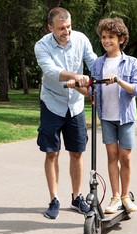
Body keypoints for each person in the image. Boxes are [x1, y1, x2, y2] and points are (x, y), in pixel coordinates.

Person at [67, 17, 137, 214]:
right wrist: (77, 87)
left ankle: (126, 197)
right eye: (103, 37)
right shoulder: (98, 64)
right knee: (111, 156)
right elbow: (93, 92)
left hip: (125, 117)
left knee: (125, 157)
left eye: (110, 37)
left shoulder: (131, 63)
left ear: (121, 39)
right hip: (107, 117)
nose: (106, 41)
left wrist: (118, 80)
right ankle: (115, 197)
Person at [34, 7, 97, 219]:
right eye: (61, 28)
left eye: (69, 26)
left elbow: (94, 62)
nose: (66, 31)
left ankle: (77, 197)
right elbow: (51, 72)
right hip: (52, 103)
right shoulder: (42, 46)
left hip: (76, 105)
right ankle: (54, 200)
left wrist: (102, 72)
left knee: (77, 152)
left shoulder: (81, 39)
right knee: (52, 152)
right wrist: (77, 76)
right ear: (50, 27)